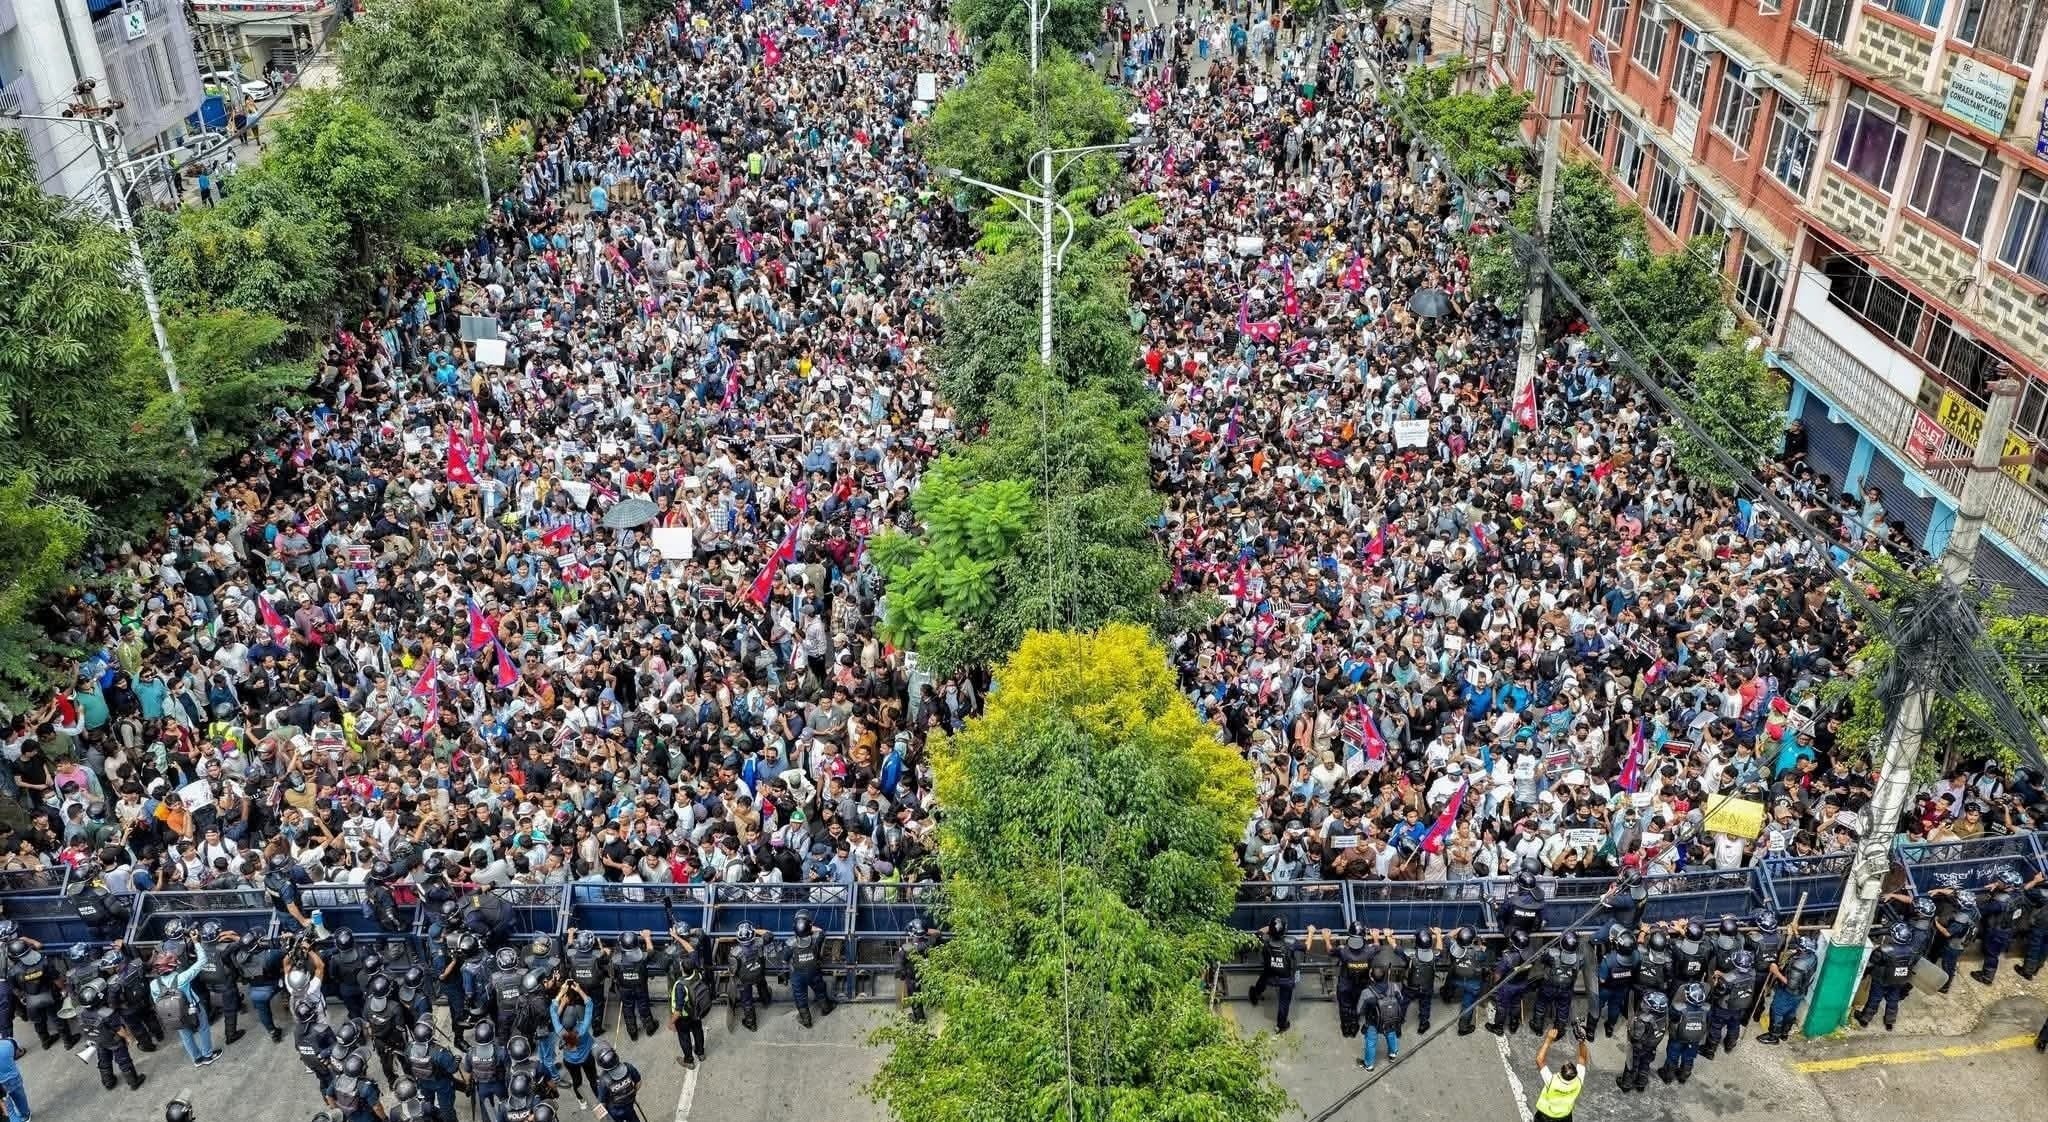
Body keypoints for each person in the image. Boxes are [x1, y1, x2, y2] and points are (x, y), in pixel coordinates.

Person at [150, 939, 218, 1067]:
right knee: (203, 1029)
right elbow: (202, 961)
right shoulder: (182, 977)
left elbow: (156, 1001)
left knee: (186, 1036)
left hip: (173, 1014)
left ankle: (197, 1059)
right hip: (193, 1009)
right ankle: (208, 1056)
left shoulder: (154, 984)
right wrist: (196, 942)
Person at [75, 978, 150, 1093]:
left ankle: (108, 1082)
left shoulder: (80, 1012)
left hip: (98, 1040)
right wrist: (129, 1037)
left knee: (103, 1061)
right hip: (113, 1041)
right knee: (124, 1060)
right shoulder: (106, 1013)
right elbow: (119, 1029)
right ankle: (134, 1081)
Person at [1855, 922, 1919, 1031]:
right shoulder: (1913, 950)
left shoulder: (1884, 950)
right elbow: (1914, 963)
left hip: (1881, 979)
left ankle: (1865, 1019)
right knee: (1893, 1000)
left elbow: (1872, 961)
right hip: (1899, 979)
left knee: (1875, 998)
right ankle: (1889, 1022)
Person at [1758, 933, 1818, 1044]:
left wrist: (1775, 971)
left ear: (1803, 949)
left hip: (1788, 992)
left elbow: (1790, 984)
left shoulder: (1799, 965)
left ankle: (1773, 1037)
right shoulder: (1813, 957)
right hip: (1800, 993)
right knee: (1790, 1012)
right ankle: (1784, 1033)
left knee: (1777, 1011)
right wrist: (1795, 932)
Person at [1246, 916, 1301, 1033]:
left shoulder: (1264, 940)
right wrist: (1311, 933)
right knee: (1284, 1002)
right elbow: (1307, 947)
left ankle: (1255, 994)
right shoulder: (1292, 942)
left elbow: (1256, 935)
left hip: (1270, 976)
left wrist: (1266, 929)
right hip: (1286, 980)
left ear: (1270, 930)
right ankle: (1281, 1025)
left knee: (1264, 976)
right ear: (1285, 930)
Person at [782, 909, 835, 1028]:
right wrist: (809, 927)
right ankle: (826, 1009)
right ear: (809, 926)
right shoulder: (816, 938)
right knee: (820, 990)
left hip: (797, 975)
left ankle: (807, 1021)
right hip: (814, 971)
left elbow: (784, 960)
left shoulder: (790, 943)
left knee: (800, 996)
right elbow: (821, 931)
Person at [400, 1021, 460, 1122]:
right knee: (447, 1110)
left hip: (423, 1083)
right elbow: (452, 1069)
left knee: (427, 1105)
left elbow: (407, 1064)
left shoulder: (409, 1048)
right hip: (442, 1084)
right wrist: (457, 1060)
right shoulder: (439, 1052)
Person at [1531, 1026, 1590, 1122]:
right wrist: (1582, 1041)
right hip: (1564, 1116)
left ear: (1561, 1073)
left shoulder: (1552, 1081)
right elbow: (1582, 1058)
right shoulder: (1578, 1080)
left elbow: (1539, 1060)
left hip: (1545, 1116)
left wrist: (1548, 1040)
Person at [1618, 990, 1668, 1093]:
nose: (1643, 1004)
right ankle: (1641, 1083)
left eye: (1646, 1004)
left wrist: (1630, 1030)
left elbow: (1635, 1036)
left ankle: (1626, 1084)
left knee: (1631, 1065)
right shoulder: (1664, 1017)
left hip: (1639, 1047)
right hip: (1652, 1046)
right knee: (1645, 1064)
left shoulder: (1642, 1020)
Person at [1356, 967, 1405, 1072]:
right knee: (1391, 1034)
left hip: (1373, 1022)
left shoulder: (1366, 992)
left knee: (1371, 1042)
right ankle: (1393, 1054)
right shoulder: (1393, 986)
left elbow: (1359, 1011)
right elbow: (1401, 999)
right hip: (1390, 1019)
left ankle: (1369, 1065)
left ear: (1372, 978)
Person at [668, 953, 711, 1069]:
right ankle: (700, 1053)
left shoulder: (680, 985)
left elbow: (678, 1009)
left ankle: (689, 1061)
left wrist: (671, 1022)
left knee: (684, 1037)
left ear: (682, 969)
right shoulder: (698, 975)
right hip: (696, 1012)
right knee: (698, 1031)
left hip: (684, 1018)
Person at [1661, 982, 1711, 1083]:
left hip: (1678, 1037)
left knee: (1673, 1055)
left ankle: (1668, 1076)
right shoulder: (1707, 1009)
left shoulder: (1678, 1008)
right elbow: (1708, 1022)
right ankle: (1683, 1076)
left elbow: (1670, 1017)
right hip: (1695, 1038)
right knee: (1689, 1056)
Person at [592, 1042, 640, 1122]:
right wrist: (631, 1094)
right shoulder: (628, 1067)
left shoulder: (603, 1080)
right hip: (629, 1106)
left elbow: (601, 1103)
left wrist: (601, 1117)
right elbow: (639, 1082)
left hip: (614, 1112)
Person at [0, 1033, 28, 1122]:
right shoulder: (9, 1042)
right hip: (14, 1077)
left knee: (9, 1110)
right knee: (21, 1098)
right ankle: (26, 1116)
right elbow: (17, 1054)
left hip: (0, 1086)